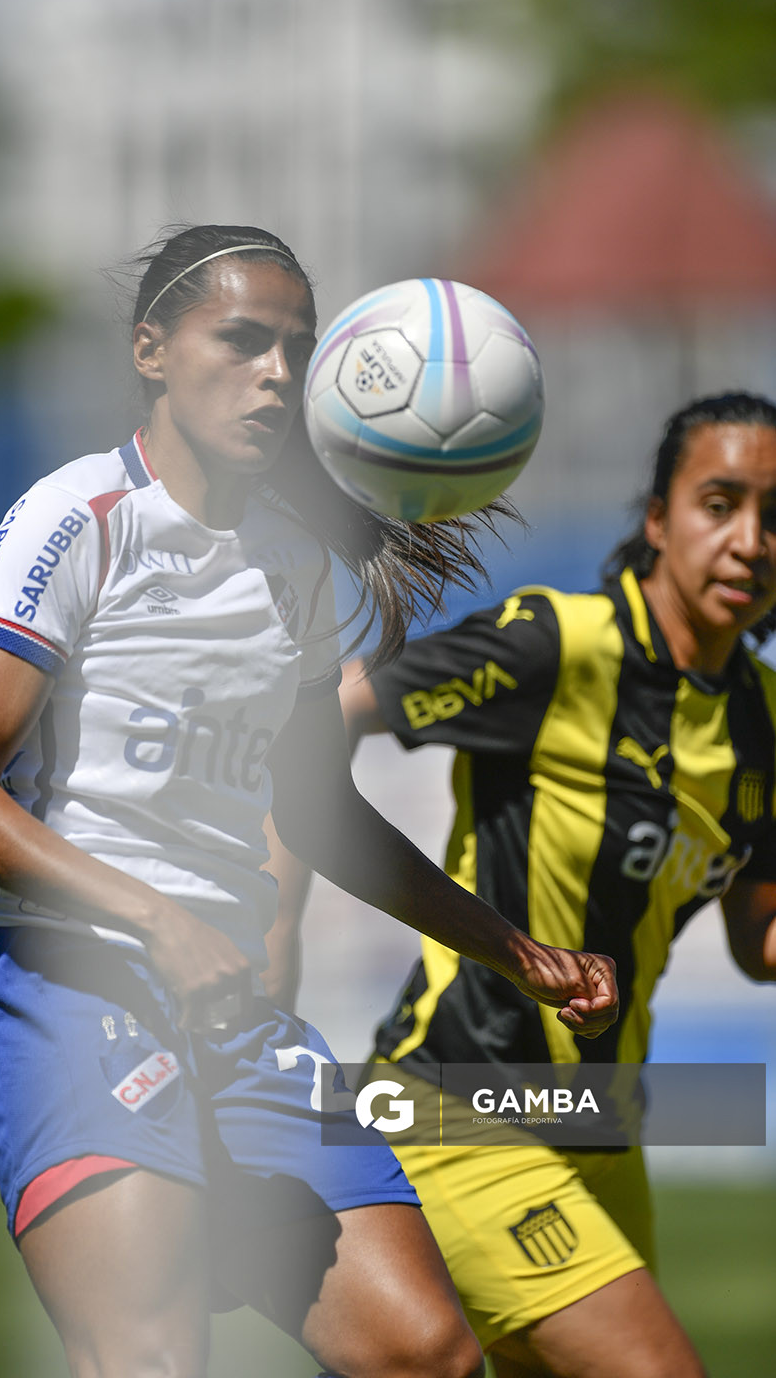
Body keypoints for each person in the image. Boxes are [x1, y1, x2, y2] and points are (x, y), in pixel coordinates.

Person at [0, 224, 619, 1378]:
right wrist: (154, 916)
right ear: (151, 348)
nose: (278, 372)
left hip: (226, 1007)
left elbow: (316, 810)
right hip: (58, 976)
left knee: (426, 1350)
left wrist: (512, 948)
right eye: (242, 338)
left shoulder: (291, 565)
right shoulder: (76, 518)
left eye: (295, 347)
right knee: (152, 1352)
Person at [276, 391, 776, 1378]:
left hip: (600, 1124)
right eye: (719, 502)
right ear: (656, 518)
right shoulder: (558, 643)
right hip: (460, 1106)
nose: (751, 539)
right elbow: (318, 732)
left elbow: (756, 938)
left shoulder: (757, 719)